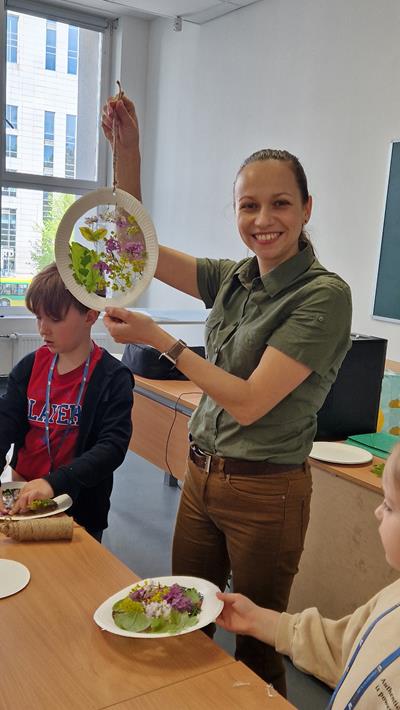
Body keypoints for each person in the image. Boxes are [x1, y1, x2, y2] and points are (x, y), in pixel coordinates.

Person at [101, 95, 352, 694]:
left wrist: (161, 341)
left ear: (307, 208)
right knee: (182, 621)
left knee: (256, 645)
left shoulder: (323, 296)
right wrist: (128, 154)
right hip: (201, 477)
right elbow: (139, 251)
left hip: (267, 491)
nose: (263, 218)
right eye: (248, 205)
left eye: (280, 203)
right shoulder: (235, 277)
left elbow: (248, 402)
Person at [216, 444, 400, 708]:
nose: (378, 512)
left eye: (389, 506)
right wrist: (254, 619)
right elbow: (341, 648)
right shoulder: (393, 595)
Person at [0, 262, 133, 541]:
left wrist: (53, 483)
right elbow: (4, 426)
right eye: (38, 317)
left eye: (54, 319)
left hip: (80, 507)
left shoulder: (112, 377)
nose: (42, 329)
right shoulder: (29, 368)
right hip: (21, 496)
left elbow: (111, 447)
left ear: (90, 315)